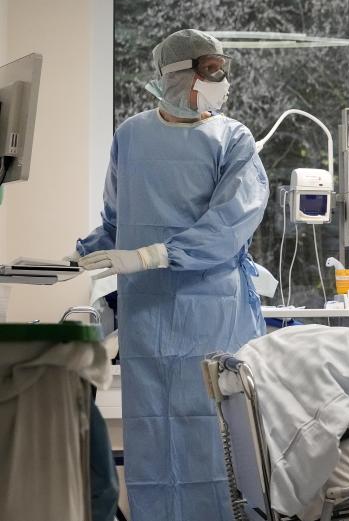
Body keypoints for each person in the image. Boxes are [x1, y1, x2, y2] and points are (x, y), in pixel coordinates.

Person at [74, 29, 270, 520]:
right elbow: (118, 222)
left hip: (213, 309)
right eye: (211, 72)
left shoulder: (233, 139)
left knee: (216, 433)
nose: (222, 84)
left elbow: (230, 223)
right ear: (176, 77)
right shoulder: (132, 136)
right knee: (153, 436)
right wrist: (79, 257)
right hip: (147, 312)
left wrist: (152, 256)